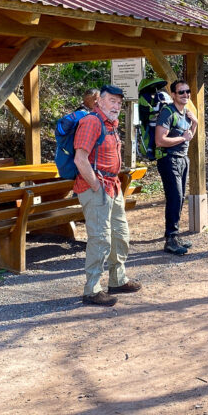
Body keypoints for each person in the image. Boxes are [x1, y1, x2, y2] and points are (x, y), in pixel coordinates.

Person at [74, 84, 142, 307]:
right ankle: (92, 290)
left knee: (119, 234)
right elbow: (80, 159)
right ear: (99, 102)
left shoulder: (110, 124)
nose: (116, 106)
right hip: (97, 188)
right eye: (112, 101)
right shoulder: (91, 122)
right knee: (100, 238)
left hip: (112, 187)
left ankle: (117, 279)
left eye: (119, 102)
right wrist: (95, 186)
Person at [155, 79, 197, 255]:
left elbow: (189, 136)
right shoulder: (167, 112)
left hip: (182, 159)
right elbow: (160, 140)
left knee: (179, 199)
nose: (186, 95)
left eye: (187, 92)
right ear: (173, 95)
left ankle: (175, 236)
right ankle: (170, 239)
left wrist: (194, 123)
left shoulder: (185, 113)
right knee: (175, 197)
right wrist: (182, 138)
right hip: (169, 159)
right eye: (181, 92)